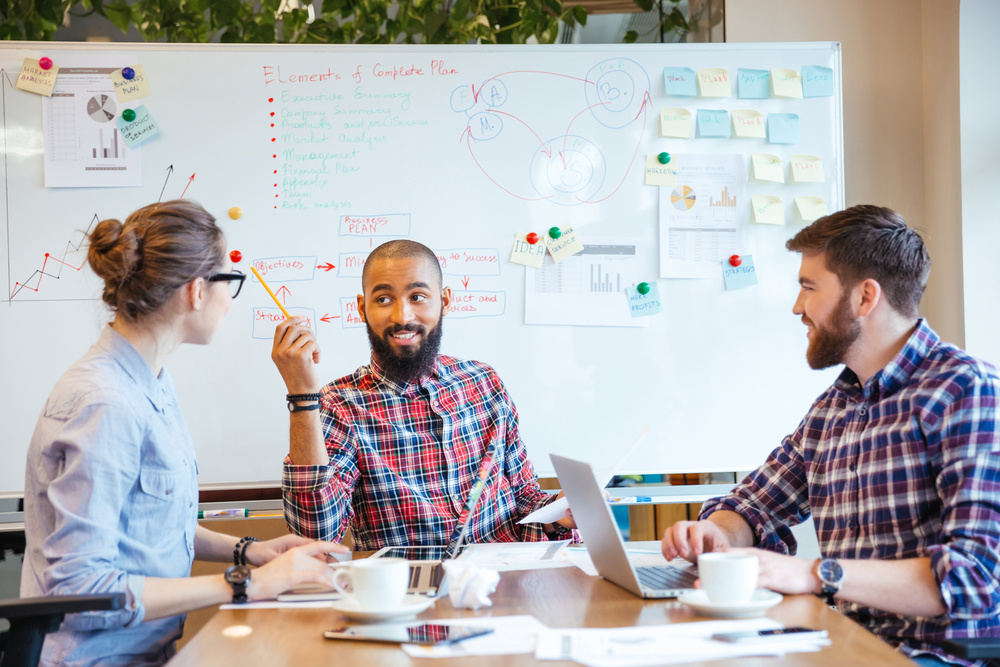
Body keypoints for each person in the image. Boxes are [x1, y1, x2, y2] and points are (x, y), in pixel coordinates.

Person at [662, 205, 1000, 666]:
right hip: (834, 641)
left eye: (808, 287)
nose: (797, 307)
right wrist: (714, 535)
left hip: (932, 655)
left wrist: (816, 574)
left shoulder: (965, 390)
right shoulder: (831, 409)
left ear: (865, 298)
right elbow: (752, 506)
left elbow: (975, 578)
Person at [21, 201, 345, 667]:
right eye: (228, 283)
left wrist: (250, 551)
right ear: (196, 291)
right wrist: (245, 585)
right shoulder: (105, 402)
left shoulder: (150, 380)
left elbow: (148, 525)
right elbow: (80, 590)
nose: (230, 299)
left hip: (148, 653)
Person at [270, 239, 576, 550]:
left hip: (505, 583)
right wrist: (302, 396)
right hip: (407, 592)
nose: (402, 316)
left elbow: (524, 496)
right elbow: (315, 539)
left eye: (418, 296)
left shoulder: (484, 382)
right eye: (384, 299)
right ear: (363, 308)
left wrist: (560, 512)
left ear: (444, 300)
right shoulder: (338, 405)